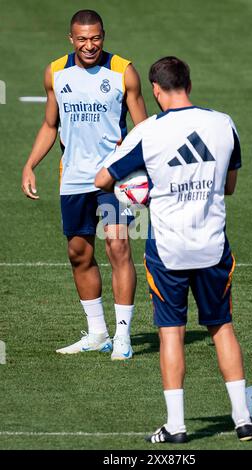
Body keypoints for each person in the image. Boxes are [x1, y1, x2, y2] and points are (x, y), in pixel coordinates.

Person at [94, 57, 252, 442]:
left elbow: (102, 179)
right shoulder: (223, 123)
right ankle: (243, 420)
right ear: (188, 82)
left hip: (168, 249)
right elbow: (230, 186)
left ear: (155, 89)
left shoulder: (149, 132)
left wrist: (138, 186)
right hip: (212, 245)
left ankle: (177, 427)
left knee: (171, 333)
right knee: (222, 328)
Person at [21, 10, 147, 360]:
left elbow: (144, 128)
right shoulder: (56, 72)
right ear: (71, 39)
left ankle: (123, 337)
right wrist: (30, 164)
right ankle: (97, 333)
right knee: (79, 253)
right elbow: (50, 125)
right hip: (74, 177)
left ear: (103, 36)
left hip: (113, 178)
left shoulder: (123, 71)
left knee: (118, 248)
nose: (90, 45)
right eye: (82, 39)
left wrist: (139, 168)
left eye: (96, 38)